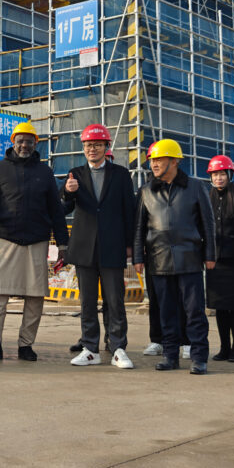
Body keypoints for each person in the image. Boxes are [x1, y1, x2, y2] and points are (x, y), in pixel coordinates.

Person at [0, 121, 69, 362]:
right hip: (3, 237)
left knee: (35, 296)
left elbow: (56, 211)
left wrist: (63, 244)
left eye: (29, 141)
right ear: (13, 142)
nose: (24, 145)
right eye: (20, 140)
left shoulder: (45, 172)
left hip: (36, 240)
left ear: (36, 143)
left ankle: (26, 345)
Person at [132, 139, 215, 374]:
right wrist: (138, 256)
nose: (154, 164)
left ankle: (199, 357)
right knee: (165, 311)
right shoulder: (146, 191)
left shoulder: (196, 187)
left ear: (174, 161)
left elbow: (208, 224)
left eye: (159, 159)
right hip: (158, 261)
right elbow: (138, 228)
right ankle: (170, 355)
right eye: (152, 160)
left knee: (195, 311)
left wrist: (210, 254)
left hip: (189, 259)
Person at [63, 125, 135, 369]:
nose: (91, 149)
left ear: (106, 147)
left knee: (115, 300)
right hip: (84, 248)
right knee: (87, 302)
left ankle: (118, 348)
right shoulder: (75, 174)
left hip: (113, 246)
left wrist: (129, 245)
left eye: (96, 144)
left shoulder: (121, 175)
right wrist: (67, 193)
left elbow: (130, 212)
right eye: (87, 145)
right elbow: (63, 209)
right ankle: (90, 348)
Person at [207, 155, 234, 363]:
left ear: (229, 175)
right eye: (215, 174)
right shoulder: (207, 199)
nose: (219, 178)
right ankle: (223, 348)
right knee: (220, 307)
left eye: (222, 174)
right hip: (214, 261)